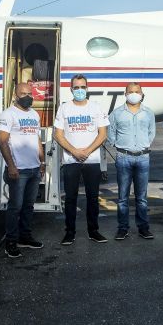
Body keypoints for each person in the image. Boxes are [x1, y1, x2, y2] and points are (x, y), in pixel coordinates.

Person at [54, 74, 109, 245]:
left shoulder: (96, 107)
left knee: (93, 198)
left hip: (91, 160)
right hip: (71, 160)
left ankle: (94, 231)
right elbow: (58, 135)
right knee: (70, 198)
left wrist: (87, 151)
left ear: (87, 88)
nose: (79, 90)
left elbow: (103, 134)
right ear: (71, 89)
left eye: (82, 87)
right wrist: (74, 152)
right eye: (76, 87)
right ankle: (70, 232)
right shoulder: (64, 108)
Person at [0, 82, 46, 258]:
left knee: (29, 206)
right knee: (15, 207)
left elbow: (37, 139)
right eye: (23, 93)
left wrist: (42, 162)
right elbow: (3, 141)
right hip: (18, 170)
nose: (28, 96)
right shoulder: (8, 114)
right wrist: (11, 165)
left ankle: (25, 237)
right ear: (15, 96)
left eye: (30, 93)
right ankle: (11, 241)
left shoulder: (34, 114)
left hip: (34, 169)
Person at [108, 82, 156, 240]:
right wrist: (121, 146)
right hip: (124, 157)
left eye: (137, 91)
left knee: (141, 197)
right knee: (122, 197)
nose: (134, 94)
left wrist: (143, 146)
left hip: (143, 157)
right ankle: (123, 228)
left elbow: (151, 133)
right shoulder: (116, 113)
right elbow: (111, 134)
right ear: (125, 93)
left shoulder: (148, 113)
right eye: (131, 91)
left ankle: (143, 228)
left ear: (142, 93)